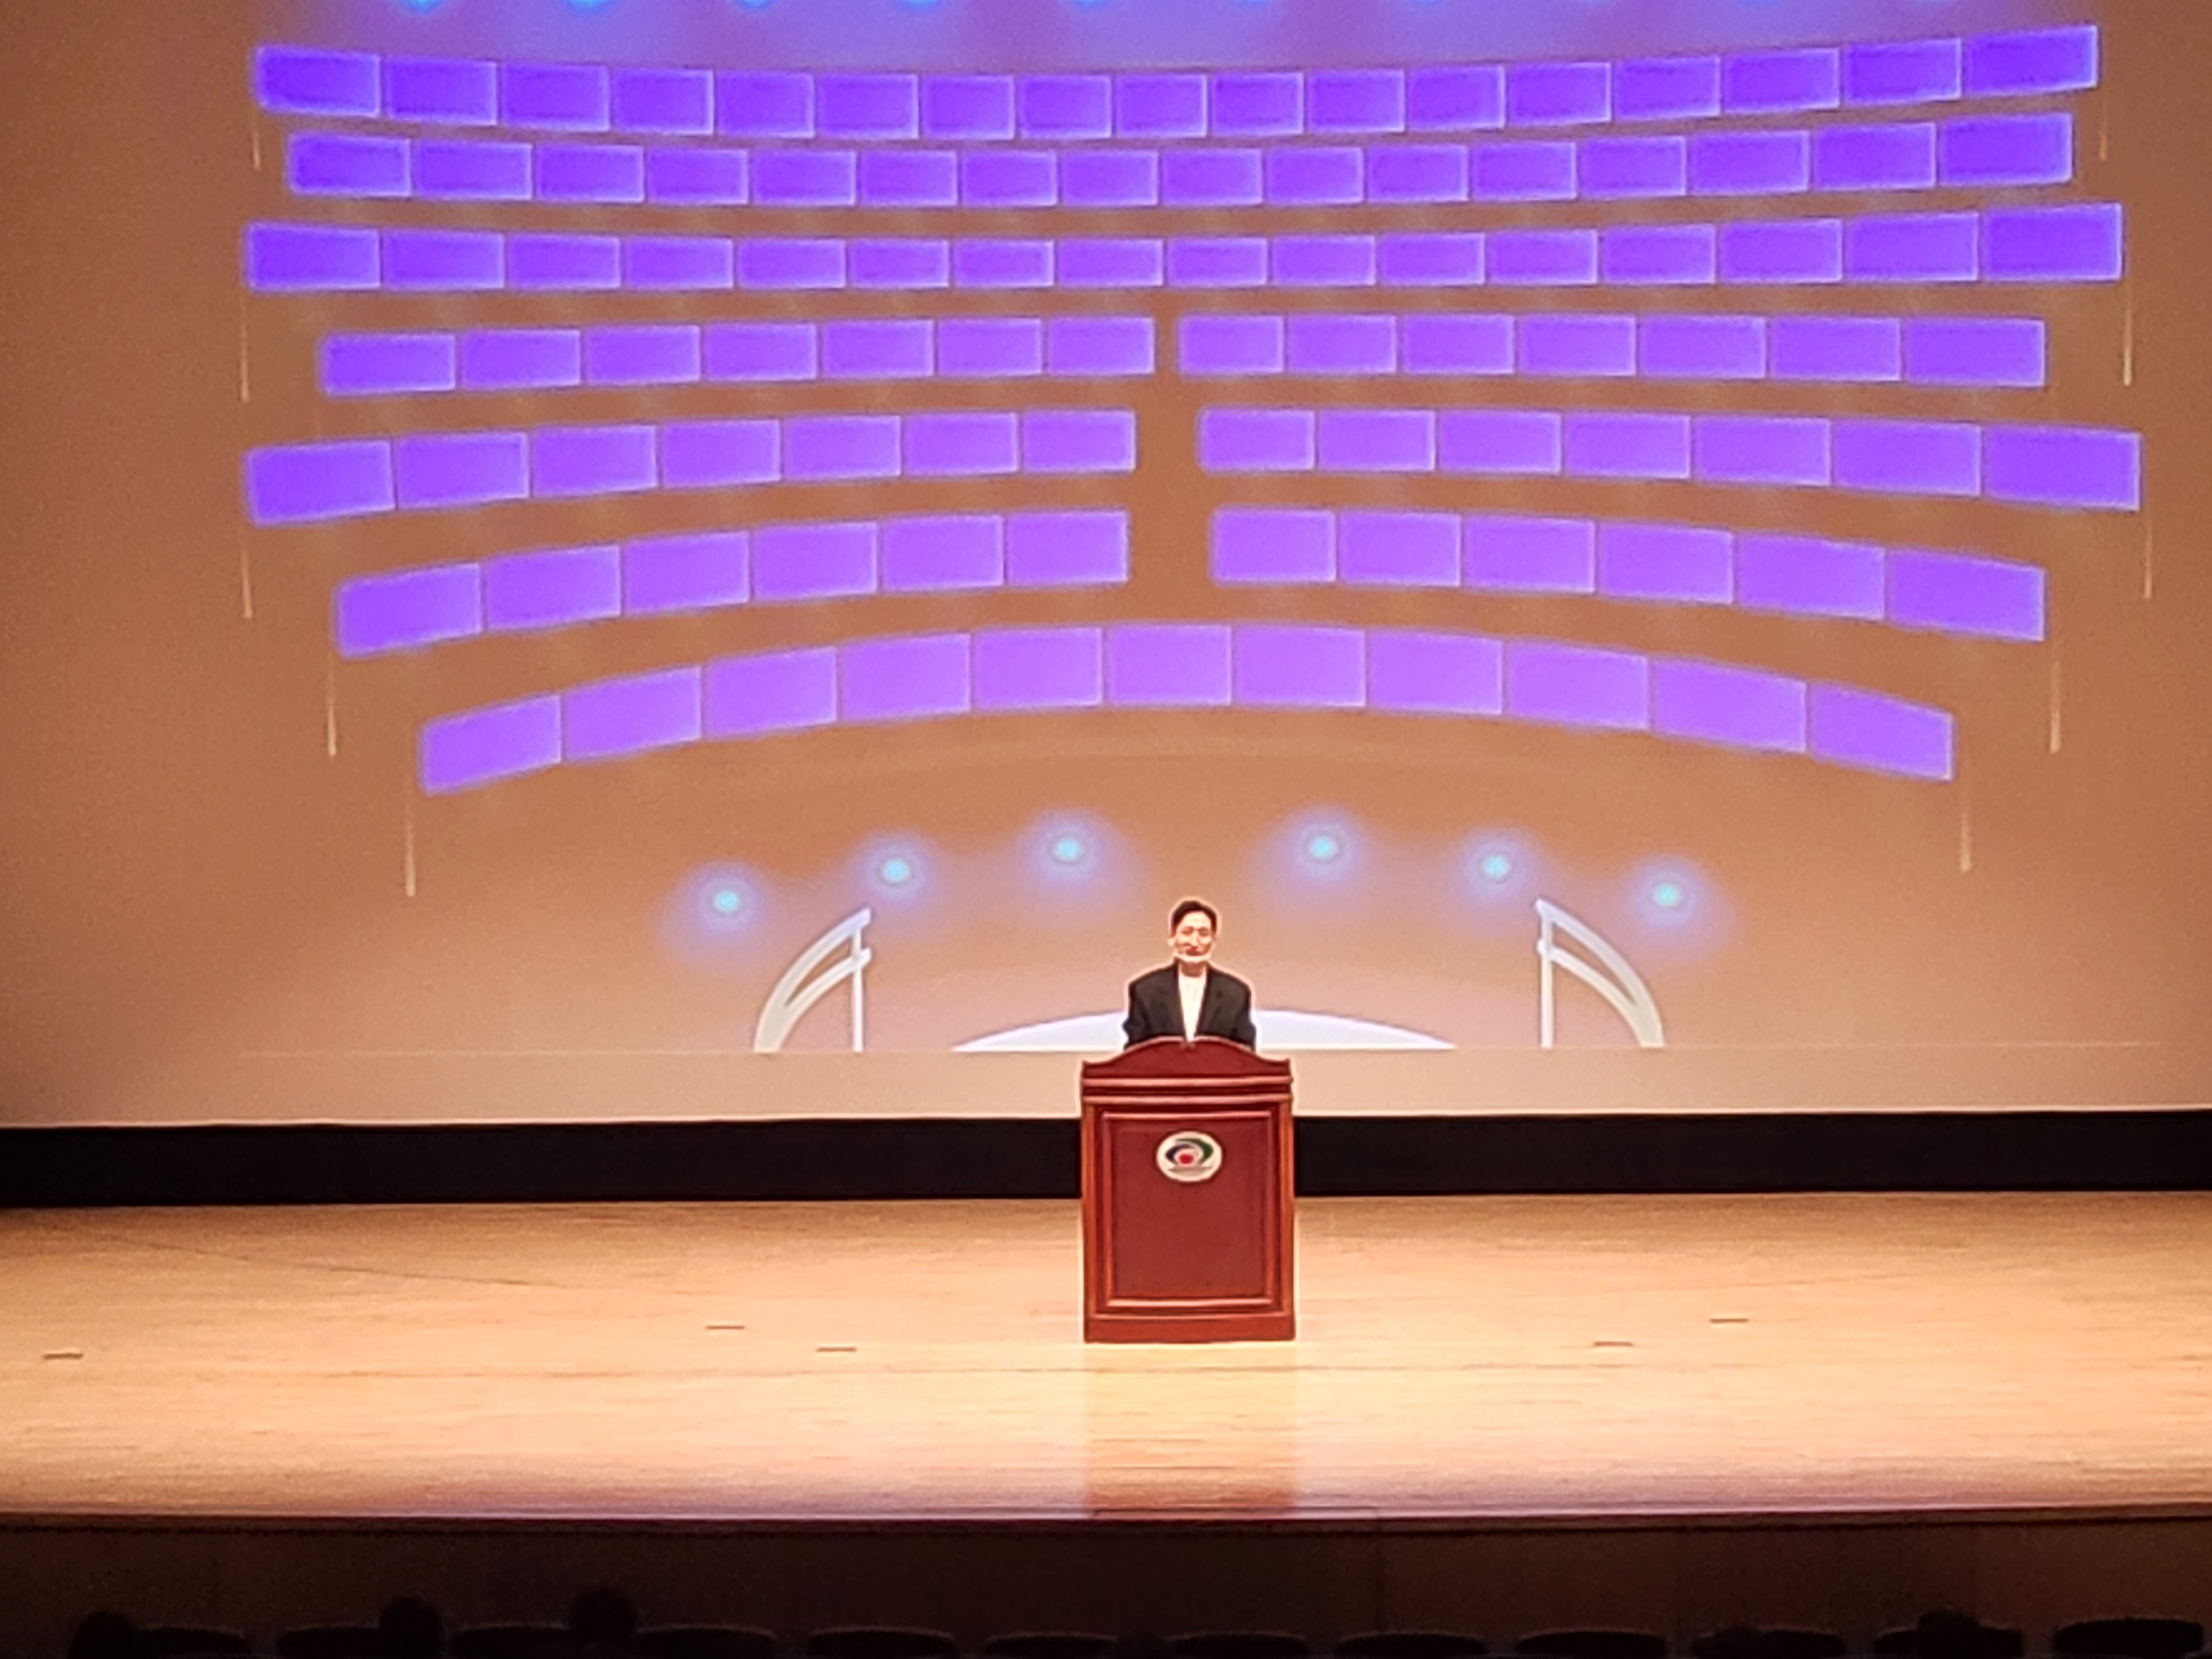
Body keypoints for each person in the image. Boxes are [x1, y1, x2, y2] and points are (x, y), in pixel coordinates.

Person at [1122, 898, 1258, 1048]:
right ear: (1172, 938)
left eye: (1204, 934)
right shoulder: (1145, 991)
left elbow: (1245, 1052)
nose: (1194, 942)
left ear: (1213, 941)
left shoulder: (1236, 994)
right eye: (1187, 933)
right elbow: (1135, 1052)